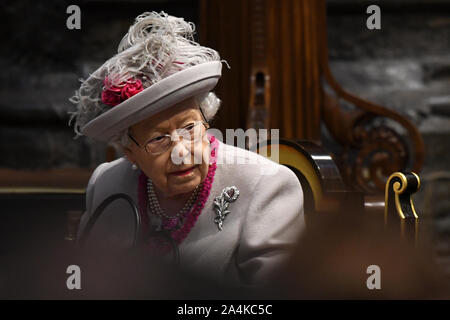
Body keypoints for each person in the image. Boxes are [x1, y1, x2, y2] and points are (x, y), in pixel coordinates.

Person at [70, 11, 304, 287]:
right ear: (129, 153)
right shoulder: (107, 184)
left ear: (207, 121)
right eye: (158, 139)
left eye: (189, 129)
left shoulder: (267, 186)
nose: (182, 151)